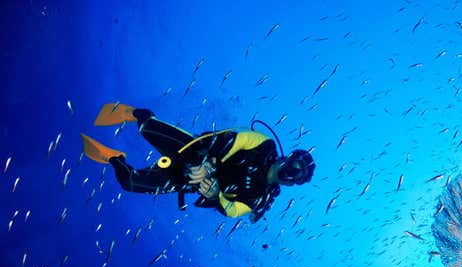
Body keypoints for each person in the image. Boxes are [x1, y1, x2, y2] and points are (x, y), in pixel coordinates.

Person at [80, 103, 315, 221]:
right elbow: (234, 137)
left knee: (130, 183)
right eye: (295, 167)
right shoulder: (264, 145)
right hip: (196, 152)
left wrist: (215, 196)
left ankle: (113, 157)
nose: (292, 175)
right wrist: (207, 164)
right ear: (288, 158)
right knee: (148, 128)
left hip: (190, 182)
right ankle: (136, 114)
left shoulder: (262, 199)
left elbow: (233, 211)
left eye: (298, 178)